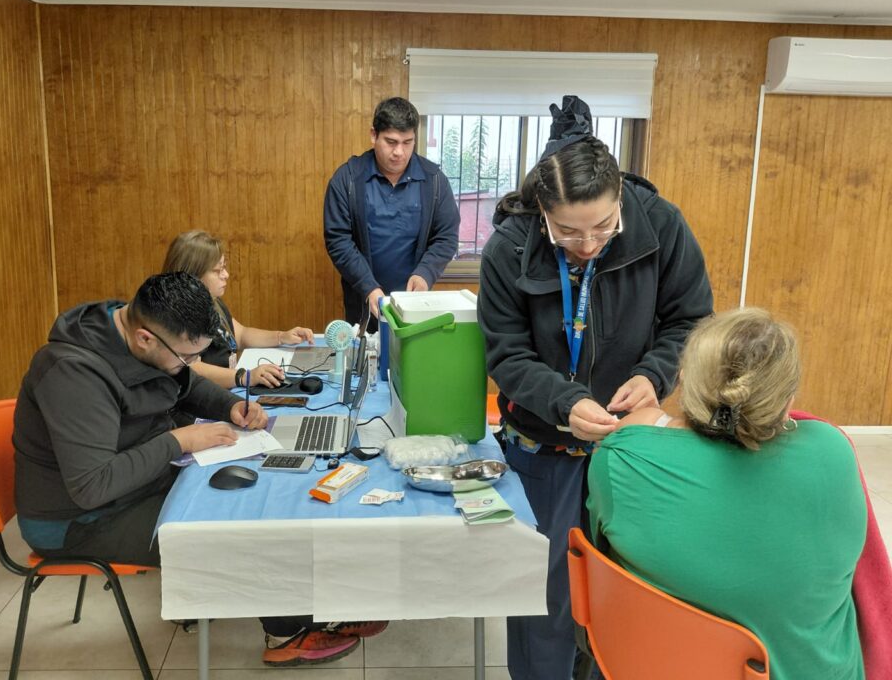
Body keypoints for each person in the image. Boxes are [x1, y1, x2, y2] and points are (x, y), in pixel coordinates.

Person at [13, 271, 381, 666]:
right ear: (145, 339)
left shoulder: (142, 333)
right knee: (228, 533)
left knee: (256, 500)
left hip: (136, 484)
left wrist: (230, 406)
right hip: (77, 520)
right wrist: (180, 441)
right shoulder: (72, 374)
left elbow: (186, 384)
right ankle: (289, 632)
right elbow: (92, 485)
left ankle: (306, 604)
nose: (190, 365)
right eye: (187, 357)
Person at [477, 95, 713, 680]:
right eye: (568, 232)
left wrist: (652, 374)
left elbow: (690, 319)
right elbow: (507, 354)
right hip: (543, 447)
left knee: (627, 585)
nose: (587, 246)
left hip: (629, 445)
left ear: (620, 200)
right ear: (542, 212)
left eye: (604, 228)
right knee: (546, 596)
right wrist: (564, 400)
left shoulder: (660, 224)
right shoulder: (509, 246)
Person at [587, 308, 866, 680]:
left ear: (684, 379)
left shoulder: (622, 457)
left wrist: (650, 421)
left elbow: (603, 548)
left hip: (661, 667)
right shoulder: (833, 450)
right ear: (787, 398)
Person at [323, 96, 460, 325]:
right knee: (366, 347)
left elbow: (447, 236)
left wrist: (425, 273)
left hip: (415, 303)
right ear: (373, 135)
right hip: (363, 300)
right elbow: (338, 239)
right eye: (391, 142)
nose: (399, 152)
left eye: (407, 142)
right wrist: (368, 286)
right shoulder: (347, 179)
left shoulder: (434, 180)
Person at [162, 230, 314, 389]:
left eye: (224, 267)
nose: (226, 275)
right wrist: (244, 377)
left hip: (227, 388)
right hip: (204, 397)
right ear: (192, 275)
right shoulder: (177, 315)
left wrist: (282, 337)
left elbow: (240, 335)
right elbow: (191, 368)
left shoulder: (212, 301)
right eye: (218, 270)